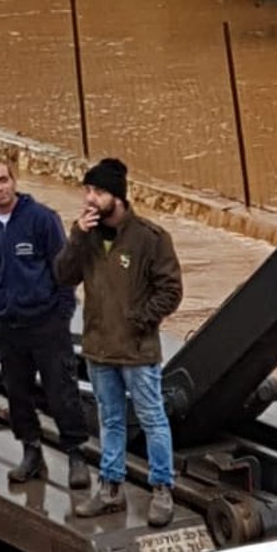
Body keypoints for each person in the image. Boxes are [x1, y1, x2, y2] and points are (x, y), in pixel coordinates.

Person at [53, 157, 183, 529]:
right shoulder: (86, 236)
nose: (90, 199)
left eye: (98, 192)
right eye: (88, 191)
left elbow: (171, 290)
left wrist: (139, 321)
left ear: (118, 197)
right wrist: (77, 235)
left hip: (137, 351)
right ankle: (110, 488)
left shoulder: (150, 238)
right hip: (98, 349)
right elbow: (63, 275)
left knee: (152, 418)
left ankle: (161, 488)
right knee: (109, 420)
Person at [0, 151, 90, 491]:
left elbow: (64, 269)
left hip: (46, 323)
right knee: (17, 393)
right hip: (7, 325)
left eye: (3, 180)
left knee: (61, 389)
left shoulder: (41, 219)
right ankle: (31, 451)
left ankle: (76, 454)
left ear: (14, 181)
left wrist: (62, 314)